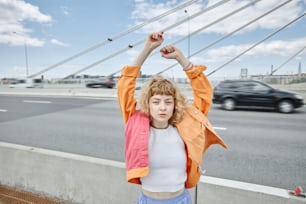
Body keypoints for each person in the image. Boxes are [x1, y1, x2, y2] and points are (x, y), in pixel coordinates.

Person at [117, 32, 227, 204]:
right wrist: (148, 48)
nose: (162, 107)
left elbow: (204, 94)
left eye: (168, 102)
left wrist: (181, 58)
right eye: (156, 101)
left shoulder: (184, 125)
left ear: (175, 105)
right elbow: (125, 86)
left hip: (181, 200)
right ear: (148, 103)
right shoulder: (135, 121)